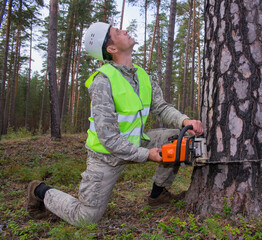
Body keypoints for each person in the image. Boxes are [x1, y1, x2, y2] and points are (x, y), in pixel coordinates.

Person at [26, 22, 204, 226]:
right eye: (117, 32)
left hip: (137, 142)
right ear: (111, 48)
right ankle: (38, 191)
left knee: (178, 137)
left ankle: (158, 195)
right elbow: (108, 138)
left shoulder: (142, 76)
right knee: (86, 218)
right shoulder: (102, 82)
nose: (125, 31)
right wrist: (148, 155)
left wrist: (185, 120)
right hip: (106, 156)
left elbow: (161, 107)